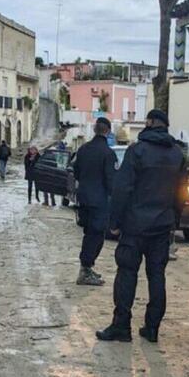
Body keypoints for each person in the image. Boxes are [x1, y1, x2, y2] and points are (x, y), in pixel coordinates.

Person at [96, 109, 185, 344]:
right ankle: (152, 327)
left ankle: (121, 326)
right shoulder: (177, 154)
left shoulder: (137, 151)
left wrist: (114, 223)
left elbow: (122, 189)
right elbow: (181, 193)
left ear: (148, 123)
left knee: (126, 274)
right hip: (162, 226)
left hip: (135, 226)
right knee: (157, 276)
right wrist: (173, 219)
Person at [72, 117, 116, 286]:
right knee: (96, 236)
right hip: (99, 201)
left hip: (83, 199)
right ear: (108, 131)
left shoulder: (83, 150)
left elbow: (75, 172)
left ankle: (86, 268)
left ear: (95, 130)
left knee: (89, 234)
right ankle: (85, 269)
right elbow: (110, 180)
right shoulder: (108, 154)